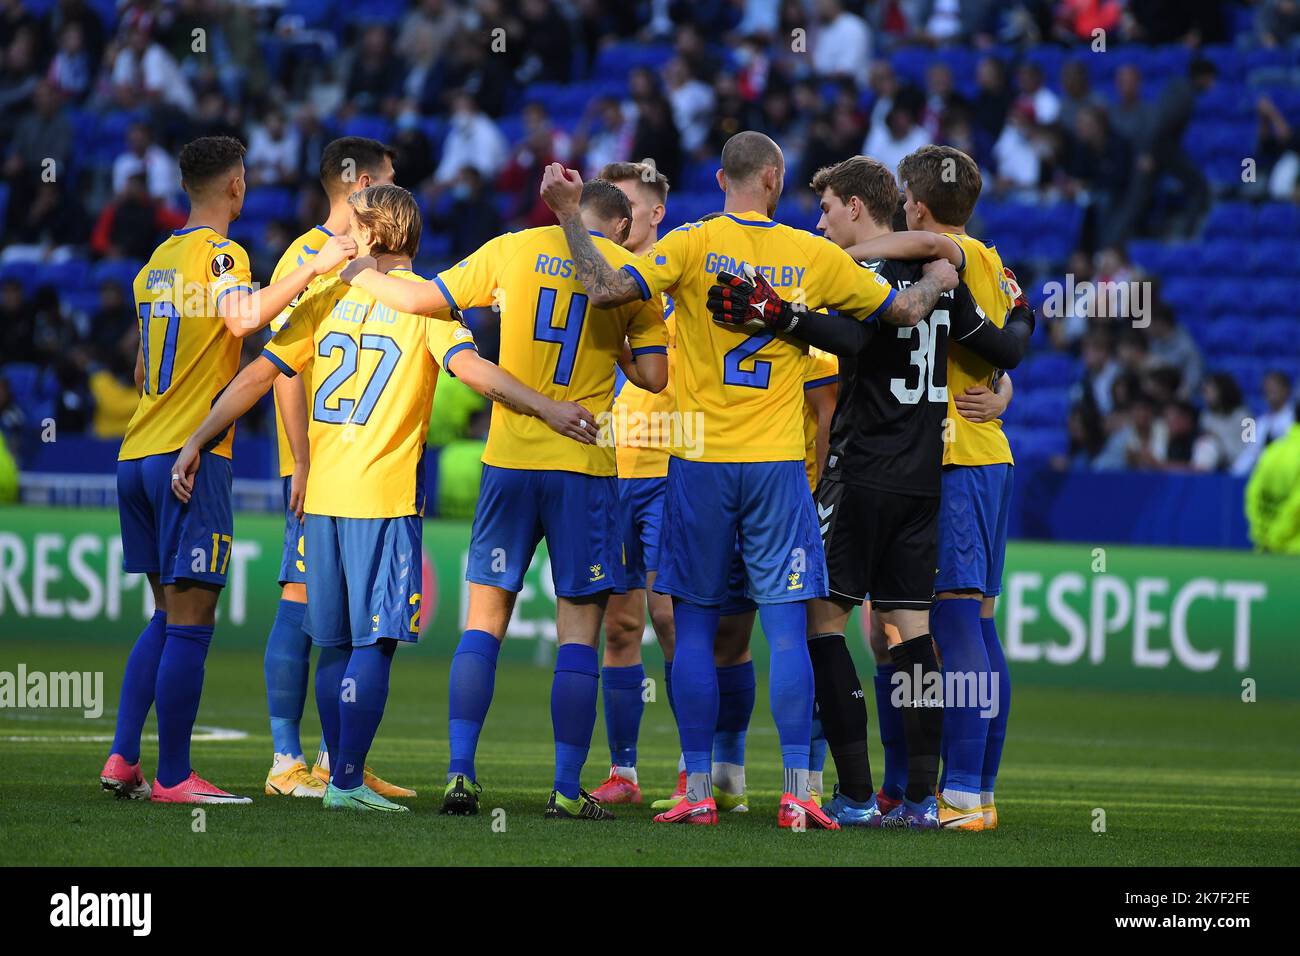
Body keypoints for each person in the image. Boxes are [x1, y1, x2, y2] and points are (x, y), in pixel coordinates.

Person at [538, 131, 954, 829]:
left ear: (720, 177)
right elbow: (902, 313)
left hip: (698, 464)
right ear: (774, 177)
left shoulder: (693, 244)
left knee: (694, 630)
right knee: (788, 632)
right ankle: (799, 791)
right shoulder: (808, 252)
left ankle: (698, 788)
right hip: (776, 466)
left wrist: (569, 216)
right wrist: (943, 272)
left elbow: (605, 287)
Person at [169, 184, 596, 811]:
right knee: (375, 644)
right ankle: (344, 779)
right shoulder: (427, 309)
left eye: (355, 224)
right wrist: (549, 407)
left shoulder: (324, 297)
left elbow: (259, 374)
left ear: (374, 236)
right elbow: (478, 374)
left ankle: (332, 774)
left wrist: (197, 438)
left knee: (335, 642)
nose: (341, 233)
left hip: (324, 501)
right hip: (385, 501)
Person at [707, 153, 1031, 828]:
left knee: (825, 626)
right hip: (924, 481)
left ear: (864, 208)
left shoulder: (867, 273)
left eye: (826, 210)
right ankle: (918, 798)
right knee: (911, 634)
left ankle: (857, 795)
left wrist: (780, 314)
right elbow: (1002, 346)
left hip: (862, 474)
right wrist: (1004, 383)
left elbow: (855, 332)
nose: (819, 223)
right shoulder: (951, 277)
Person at [342, 181, 667, 820]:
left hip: (509, 462)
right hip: (582, 464)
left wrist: (356, 268)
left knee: (483, 623)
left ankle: (460, 775)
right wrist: (618, 342)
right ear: (624, 225)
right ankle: (566, 791)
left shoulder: (510, 250)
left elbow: (416, 297)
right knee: (580, 633)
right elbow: (654, 377)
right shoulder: (632, 276)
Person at [100, 135, 358, 804]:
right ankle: (175, 776)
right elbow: (244, 315)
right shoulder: (223, 254)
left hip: (136, 454)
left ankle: (124, 758)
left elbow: (139, 368)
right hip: (191, 457)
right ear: (236, 185)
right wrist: (316, 267)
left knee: (164, 616)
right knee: (193, 620)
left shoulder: (156, 261)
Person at [260, 136, 413, 801]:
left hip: (343, 468)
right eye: (388, 179)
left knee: (336, 621)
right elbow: (284, 373)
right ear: (361, 184)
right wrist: (300, 461)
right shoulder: (310, 256)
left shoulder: (352, 259)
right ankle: (286, 758)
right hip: (322, 469)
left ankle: (335, 759)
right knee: (304, 607)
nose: (395, 187)